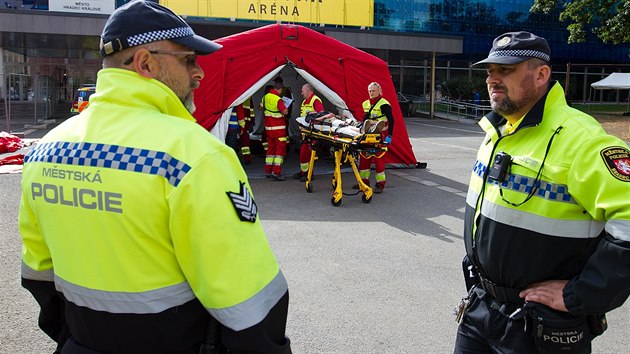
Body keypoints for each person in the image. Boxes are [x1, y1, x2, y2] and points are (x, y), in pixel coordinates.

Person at [18, 2, 292, 353]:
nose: (199, 73)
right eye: (188, 60)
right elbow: (249, 299)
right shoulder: (194, 155)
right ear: (146, 62)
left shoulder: (45, 149)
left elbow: (38, 272)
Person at [454, 31, 630, 353]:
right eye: (489, 70)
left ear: (541, 75)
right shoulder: (498, 129)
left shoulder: (582, 140)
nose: (492, 79)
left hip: (540, 327)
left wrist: (582, 293)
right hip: (481, 308)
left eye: (505, 70)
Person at [354, 81, 394, 194]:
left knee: (379, 161)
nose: (371, 93)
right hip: (368, 135)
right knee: (364, 159)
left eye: (373, 91)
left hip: (380, 135)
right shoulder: (365, 104)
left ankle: (380, 184)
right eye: (370, 91)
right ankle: (363, 182)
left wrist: (389, 136)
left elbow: (391, 120)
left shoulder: (384, 104)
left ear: (379, 91)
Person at [293, 83, 324, 181]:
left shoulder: (315, 100)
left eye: (303, 91)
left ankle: (309, 174)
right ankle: (304, 172)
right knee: (303, 153)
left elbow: (321, 114)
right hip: (305, 132)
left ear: (308, 90)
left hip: (312, 132)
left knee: (307, 153)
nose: (301, 93)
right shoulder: (304, 102)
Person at [260, 83, 289, 180]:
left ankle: (268, 171)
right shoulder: (278, 99)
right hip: (279, 129)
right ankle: (276, 172)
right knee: (279, 152)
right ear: (279, 90)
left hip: (269, 129)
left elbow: (260, 107)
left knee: (270, 151)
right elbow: (285, 112)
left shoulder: (265, 97)